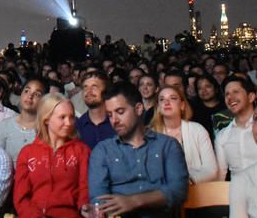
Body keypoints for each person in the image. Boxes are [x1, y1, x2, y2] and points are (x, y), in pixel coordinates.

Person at [87, 82, 189, 218]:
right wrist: (98, 210)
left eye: (120, 112)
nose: (114, 120)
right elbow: (99, 200)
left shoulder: (167, 145)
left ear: (139, 109)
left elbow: (178, 191)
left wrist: (133, 201)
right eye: (109, 115)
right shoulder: (102, 151)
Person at [14, 92, 90, 218]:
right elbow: (21, 197)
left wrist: (85, 207)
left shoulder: (81, 150)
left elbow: (85, 188)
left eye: (71, 117)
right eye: (62, 117)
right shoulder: (27, 153)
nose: (69, 123)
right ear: (47, 119)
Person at [150, 85, 218, 183]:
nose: (166, 102)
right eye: (162, 99)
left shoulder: (197, 129)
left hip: (197, 191)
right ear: (159, 108)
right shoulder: (151, 135)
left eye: (173, 98)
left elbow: (211, 170)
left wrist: (188, 180)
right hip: (164, 193)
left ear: (182, 105)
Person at [215, 76, 257, 181]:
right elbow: (220, 175)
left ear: (251, 97)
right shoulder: (222, 136)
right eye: (227, 94)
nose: (230, 98)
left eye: (236, 92)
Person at [0, 78, 46, 165]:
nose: (30, 96)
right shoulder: (5, 125)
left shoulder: (46, 129)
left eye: (37, 94)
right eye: (27, 91)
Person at [76, 71, 116, 149]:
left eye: (94, 86)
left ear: (106, 91)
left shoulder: (117, 122)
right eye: (85, 87)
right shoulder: (77, 126)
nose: (88, 91)